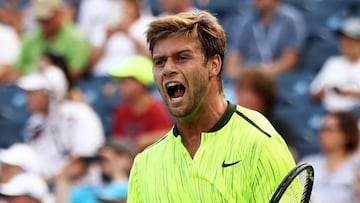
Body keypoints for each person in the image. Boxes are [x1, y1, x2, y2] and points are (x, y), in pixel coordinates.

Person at [127, 11, 298, 202]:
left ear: (214, 65)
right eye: (160, 62)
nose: (168, 69)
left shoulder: (260, 143)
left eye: (182, 57)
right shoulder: (145, 164)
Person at [17, 66, 105, 180]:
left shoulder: (79, 114)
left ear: (50, 93)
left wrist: (49, 180)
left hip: (80, 187)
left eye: (34, 94)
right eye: (27, 93)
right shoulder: (34, 123)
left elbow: (82, 162)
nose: (28, 99)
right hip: (45, 186)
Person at [5, 0, 90, 82]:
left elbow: (76, 73)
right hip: (28, 87)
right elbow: (17, 70)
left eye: (47, 19)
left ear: (58, 14)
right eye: (40, 20)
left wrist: (50, 68)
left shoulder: (75, 38)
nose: (44, 24)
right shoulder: (30, 38)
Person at [225, 0, 306, 78]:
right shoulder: (245, 21)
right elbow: (232, 61)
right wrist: (243, 75)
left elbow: (290, 62)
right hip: (248, 79)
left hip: (277, 79)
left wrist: (260, 74)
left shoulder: (290, 20)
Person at [109, 55, 173, 152]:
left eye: (125, 82)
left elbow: (168, 135)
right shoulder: (121, 111)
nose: (121, 86)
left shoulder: (156, 109)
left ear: (141, 84)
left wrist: (146, 139)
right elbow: (117, 139)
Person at [234, 68, 298, 160]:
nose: (238, 94)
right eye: (238, 89)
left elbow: (291, 157)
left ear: (261, 95)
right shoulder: (233, 123)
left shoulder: (279, 126)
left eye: (244, 90)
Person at [301, 111, 359, 203]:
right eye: (321, 130)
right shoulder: (307, 163)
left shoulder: (357, 165)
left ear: (346, 135)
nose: (321, 135)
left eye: (328, 130)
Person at [88, 0, 153, 76]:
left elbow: (151, 57)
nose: (124, 10)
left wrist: (128, 32)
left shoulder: (147, 24)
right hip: (101, 75)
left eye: (127, 6)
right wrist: (106, 38)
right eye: (121, 6)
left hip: (132, 76)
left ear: (137, 7)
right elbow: (90, 65)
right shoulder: (103, 28)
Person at [310, 17, 360, 112]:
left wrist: (351, 93)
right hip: (330, 113)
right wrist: (324, 91)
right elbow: (314, 95)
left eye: (352, 40)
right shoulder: (333, 63)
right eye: (344, 39)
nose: (346, 43)